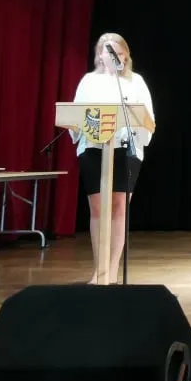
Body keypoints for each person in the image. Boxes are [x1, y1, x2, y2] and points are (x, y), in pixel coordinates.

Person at [71, 33, 155, 284]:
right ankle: (100, 271)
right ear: (100, 55)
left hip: (125, 148)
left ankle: (113, 269)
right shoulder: (89, 81)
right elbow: (74, 116)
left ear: (126, 56)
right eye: (109, 52)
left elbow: (148, 118)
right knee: (97, 208)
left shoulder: (135, 82)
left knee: (119, 207)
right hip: (93, 148)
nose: (115, 57)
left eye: (119, 53)